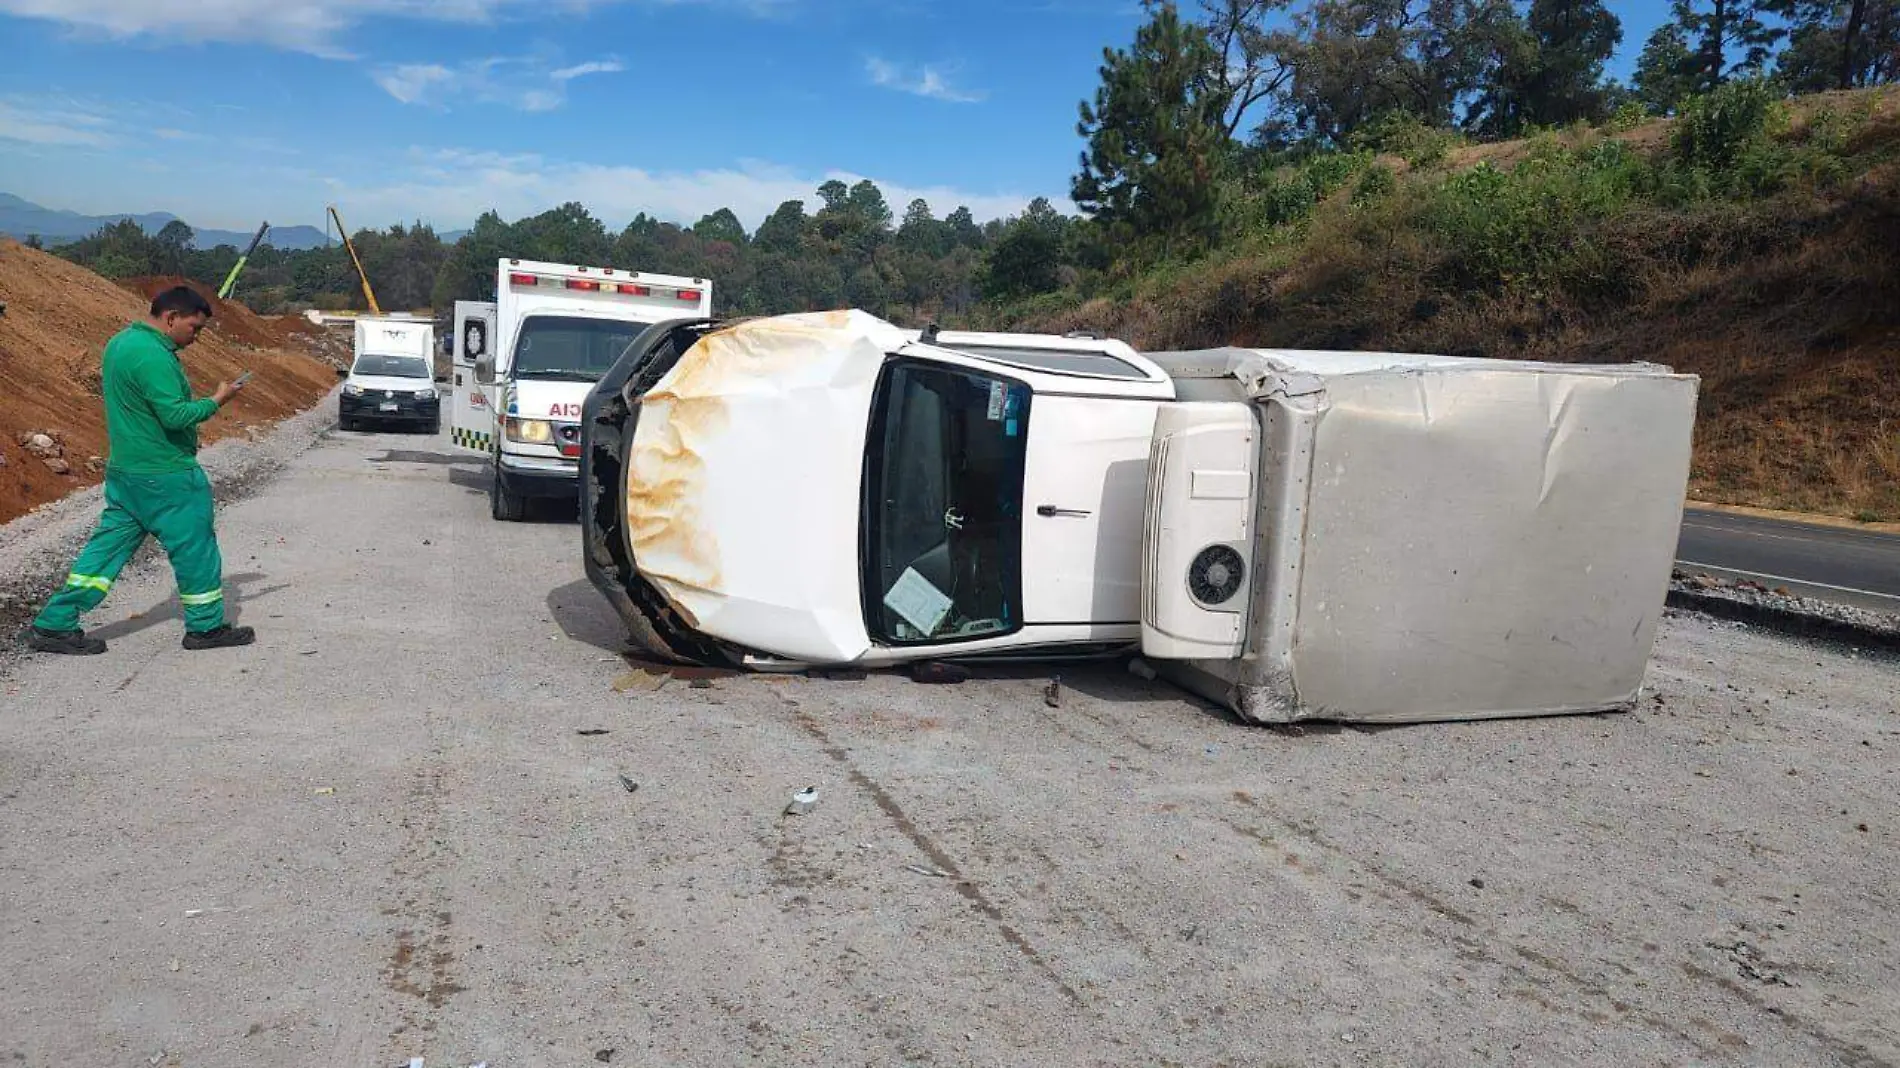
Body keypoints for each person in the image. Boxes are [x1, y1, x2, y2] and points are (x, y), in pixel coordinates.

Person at [23, 286, 257, 655]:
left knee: (105, 552)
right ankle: (206, 628)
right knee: (195, 550)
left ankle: (54, 624)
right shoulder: (153, 356)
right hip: (167, 475)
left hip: (127, 473)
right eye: (194, 328)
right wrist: (218, 399)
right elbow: (175, 415)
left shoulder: (121, 343)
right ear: (171, 318)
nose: (195, 337)